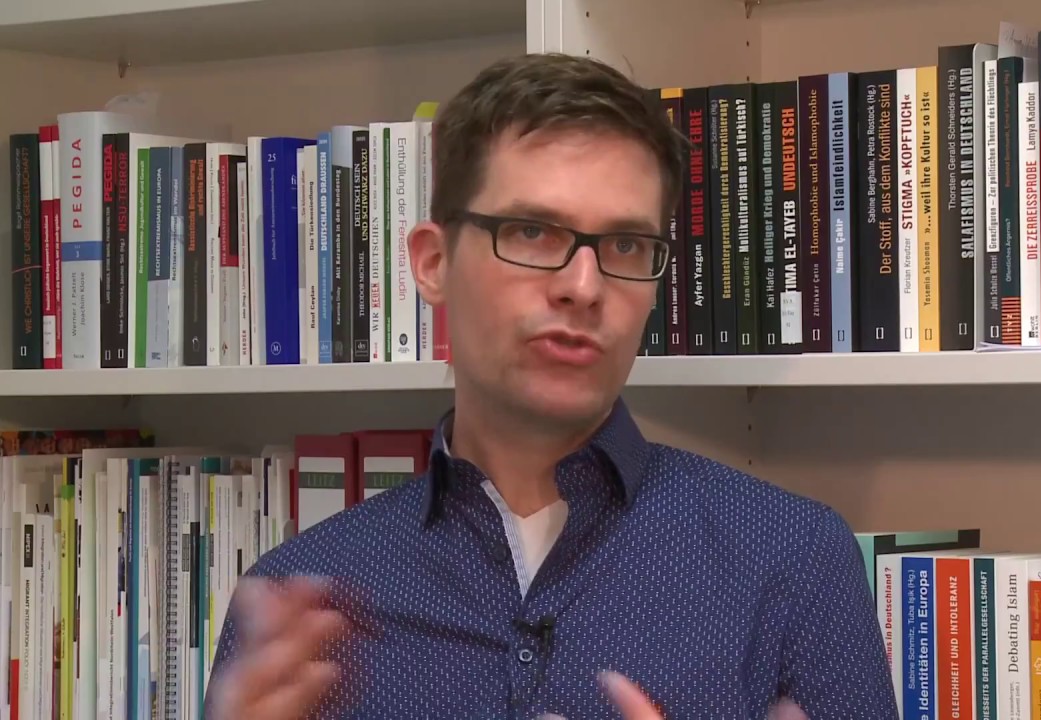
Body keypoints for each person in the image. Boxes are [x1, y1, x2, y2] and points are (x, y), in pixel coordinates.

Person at [204, 52, 897, 720]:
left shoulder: (792, 557)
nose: (584, 287)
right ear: (432, 263)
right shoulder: (305, 607)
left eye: (626, 245)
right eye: (533, 231)